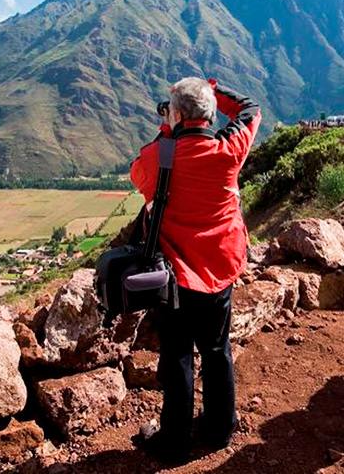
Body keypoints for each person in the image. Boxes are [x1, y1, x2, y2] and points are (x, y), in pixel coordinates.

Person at [130, 77, 262, 462]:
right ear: (207, 114)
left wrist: (166, 132)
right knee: (217, 350)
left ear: (178, 115)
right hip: (221, 269)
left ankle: (173, 441)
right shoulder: (229, 148)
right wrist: (211, 90)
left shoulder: (158, 157)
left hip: (176, 278)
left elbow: (138, 174)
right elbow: (250, 109)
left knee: (177, 357)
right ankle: (220, 429)